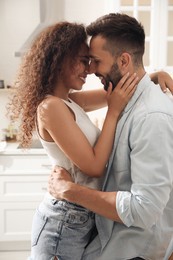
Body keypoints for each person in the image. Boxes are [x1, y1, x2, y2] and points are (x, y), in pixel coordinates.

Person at [8, 21, 139, 260]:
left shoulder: (69, 102)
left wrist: (153, 76)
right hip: (62, 223)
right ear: (58, 59)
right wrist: (113, 113)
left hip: (78, 217)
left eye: (90, 61)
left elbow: (120, 92)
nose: (89, 69)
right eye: (82, 59)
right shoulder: (50, 107)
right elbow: (94, 167)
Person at [48, 13, 173, 260]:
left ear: (124, 61)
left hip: (132, 250)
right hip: (109, 235)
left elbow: (144, 209)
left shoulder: (151, 117)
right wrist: (152, 76)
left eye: (95, 61)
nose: (91, 69)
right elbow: (72, 102)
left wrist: (70, 191)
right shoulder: (126, 99)